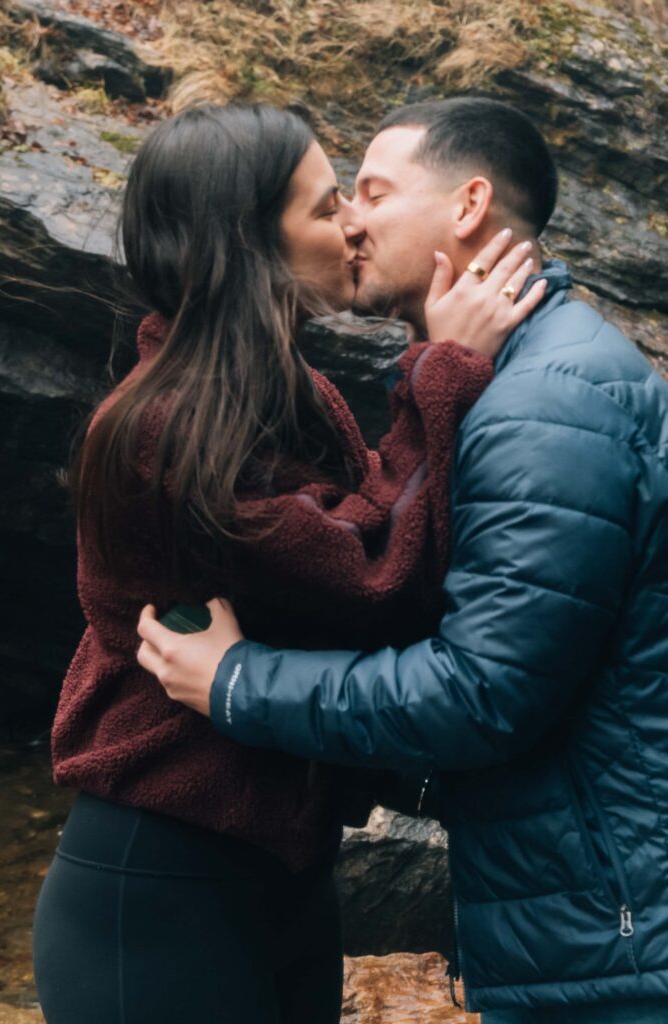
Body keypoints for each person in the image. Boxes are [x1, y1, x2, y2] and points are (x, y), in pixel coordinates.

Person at [137, 98, 668, 1024]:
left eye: (373, 191)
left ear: (466, 206)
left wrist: (236, 683)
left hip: (613, 941)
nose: (351, 221)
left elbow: (482, 693)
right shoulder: (524, 379)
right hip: (586, 919)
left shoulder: (544, 404)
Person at [33, 100, 541, 1024]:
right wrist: (445, 365)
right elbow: (371, 575)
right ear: (244, 244)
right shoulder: (153, 432)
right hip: (156, 878)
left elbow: (386, 543)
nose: (351, 222)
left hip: (283, 869)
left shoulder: (296, 394)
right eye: (321, 207)